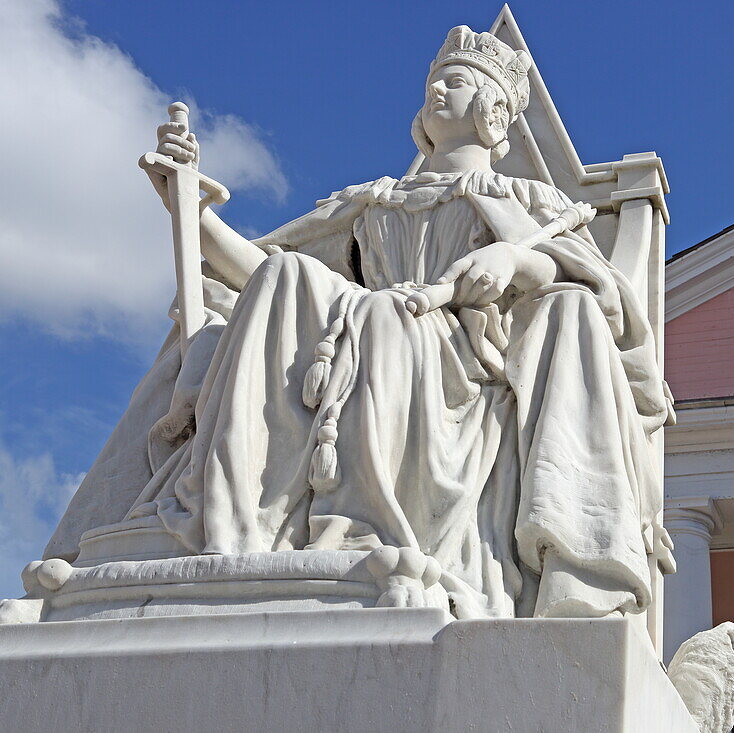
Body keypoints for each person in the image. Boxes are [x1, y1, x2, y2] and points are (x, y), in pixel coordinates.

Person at [45, 26, 668, 621]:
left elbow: (604, 300)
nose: (437, 90)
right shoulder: (372, 201)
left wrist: (516, 259)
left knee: (387, 321)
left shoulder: (533, 204)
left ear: (491, 108)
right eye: (435, 80)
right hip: (365, 327)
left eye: (455, 79)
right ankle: (226, 518)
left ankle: (363, 525)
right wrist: (188, 208)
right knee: (291, 278)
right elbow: (259, 269)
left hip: (463, 361)